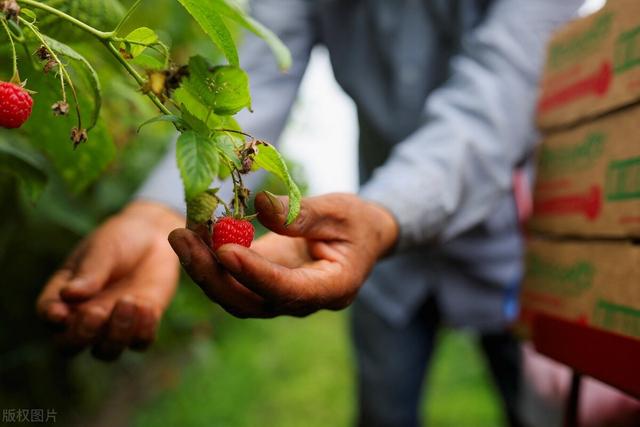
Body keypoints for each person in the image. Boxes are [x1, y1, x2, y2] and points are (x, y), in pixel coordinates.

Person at [36, 1, 584, 426]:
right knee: (384, 412)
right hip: (374, 254)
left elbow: (495, 98)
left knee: (539, 409)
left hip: (508, 246)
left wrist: (384, 213)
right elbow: (256, 77)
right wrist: (157, 215)